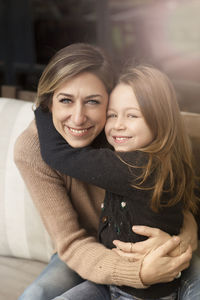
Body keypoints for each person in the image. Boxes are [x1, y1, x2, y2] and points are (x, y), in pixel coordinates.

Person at [14, 43, 199, 300]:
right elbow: (71, 242)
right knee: (35, 295)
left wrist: (183, 240)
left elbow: (176, 199)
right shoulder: (33, 148)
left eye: (92, 102)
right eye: (65, 100)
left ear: (110, 97)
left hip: (159, 248)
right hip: (87, 251)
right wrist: (136, 271)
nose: (78, 118)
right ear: (48, 102)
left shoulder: (123, 134)